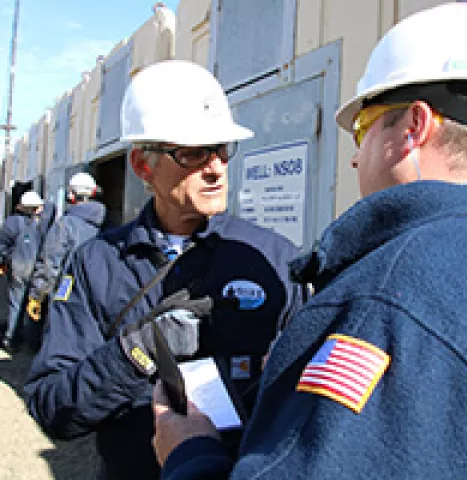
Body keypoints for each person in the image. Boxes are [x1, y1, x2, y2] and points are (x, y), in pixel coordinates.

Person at [151, 3, 467, 479]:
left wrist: (191, 456)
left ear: (414, 126)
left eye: (363, 129)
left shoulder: (383, 299)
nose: (354, 160)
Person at [23, 60, 302, 480]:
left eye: (222, 148)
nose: (216, 168)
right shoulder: (97, 263)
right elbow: (53, 408)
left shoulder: (273, 259)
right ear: (142, 166)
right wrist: (134, 353)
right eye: (192, 153)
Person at [24, 172, 107, 351]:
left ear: (71, 195)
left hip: (65, 292)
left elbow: (50, 264)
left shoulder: (65, 225)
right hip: (95, 296)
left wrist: (37, 295)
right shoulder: (106, 223)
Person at [0, 191, 55, 353]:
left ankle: (11, 339)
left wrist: (7, 259)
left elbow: (2, 245)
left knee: (16, 303)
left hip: (18, 267)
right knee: (36, 304)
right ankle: (33, 343)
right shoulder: (45, 223)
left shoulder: (12, 222)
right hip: (39, 268)